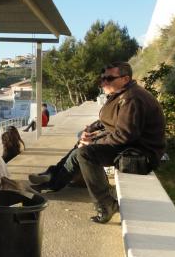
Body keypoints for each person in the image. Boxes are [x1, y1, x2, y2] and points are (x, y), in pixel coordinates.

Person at [28, 62, 166, 223]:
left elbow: (125, 135)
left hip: (141, 153)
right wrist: (91, 130)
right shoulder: (121, 94)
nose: (103, 83)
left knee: (86, 153)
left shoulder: (132, 99)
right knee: (82, 144)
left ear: (125, 78)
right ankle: (54, 177)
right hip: (130, 146)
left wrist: (93, 140)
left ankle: (105, 203)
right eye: (102, 79)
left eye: (109, 78)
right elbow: (108, 121)